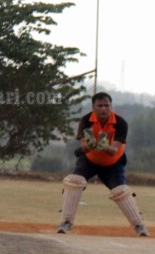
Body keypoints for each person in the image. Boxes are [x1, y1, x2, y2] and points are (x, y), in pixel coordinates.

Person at [56, 92, 148, 236]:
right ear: (93, 107)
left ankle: (139, 226)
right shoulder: (86, 120)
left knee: (120, 191)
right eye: (100, 106)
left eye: (107, 105)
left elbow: (113, 150)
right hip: (89, 160)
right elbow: (84, 146)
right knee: (74, 181)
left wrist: (104, 146)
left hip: (113, 163)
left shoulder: (120, 123)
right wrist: (90, 145)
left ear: (111, 106)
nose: (104, 109)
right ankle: (66, 223)